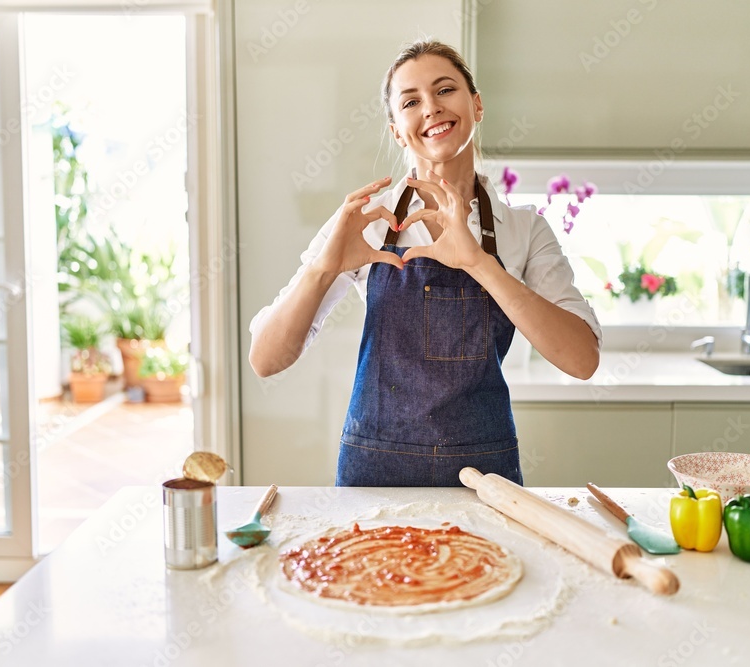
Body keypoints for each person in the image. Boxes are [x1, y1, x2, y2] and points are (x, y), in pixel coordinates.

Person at [249, 39, 601, 487]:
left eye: (445, 90)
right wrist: (323, 269)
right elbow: (265, 360)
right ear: (398, 130)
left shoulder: (523, 231)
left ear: (476, 105)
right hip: (375, 481)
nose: (431, 108)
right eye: (411, 101)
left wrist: (478, 262)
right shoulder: (365, 225)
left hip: (485, 481)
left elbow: (582, 360)